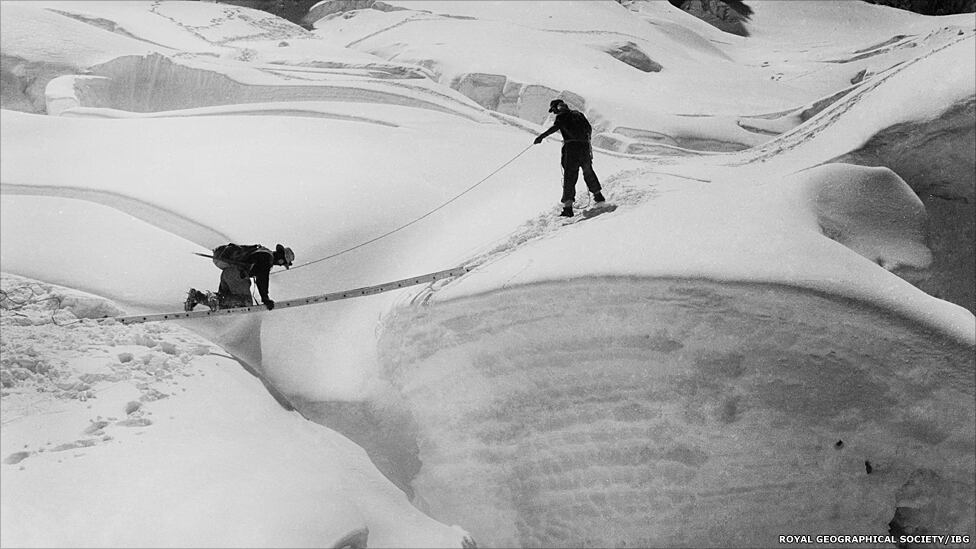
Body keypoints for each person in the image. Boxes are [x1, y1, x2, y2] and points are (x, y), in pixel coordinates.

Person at [533, 99, 605, 217]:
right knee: (588, 171)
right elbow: (589, 129)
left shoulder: (561, 117)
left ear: (557, 108)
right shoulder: (579, 114)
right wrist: (585, 141)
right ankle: (598, 195)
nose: (554, 113)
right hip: (584, 147)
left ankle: (568, 208)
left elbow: (553, 129)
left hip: (571, 150)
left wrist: (541, 137)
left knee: (570, 176)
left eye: (554, 110)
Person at [185, 243, 294, 312]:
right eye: (282, 263)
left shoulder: (261, 251)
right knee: (245, 303)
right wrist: (265, 299)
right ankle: (213, 298)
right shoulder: (267, 258)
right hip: (237, 275)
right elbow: (262, 278)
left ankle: (197, 297)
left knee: (225, 305)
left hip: (228, 273)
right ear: (281, 259)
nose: (279, 265)